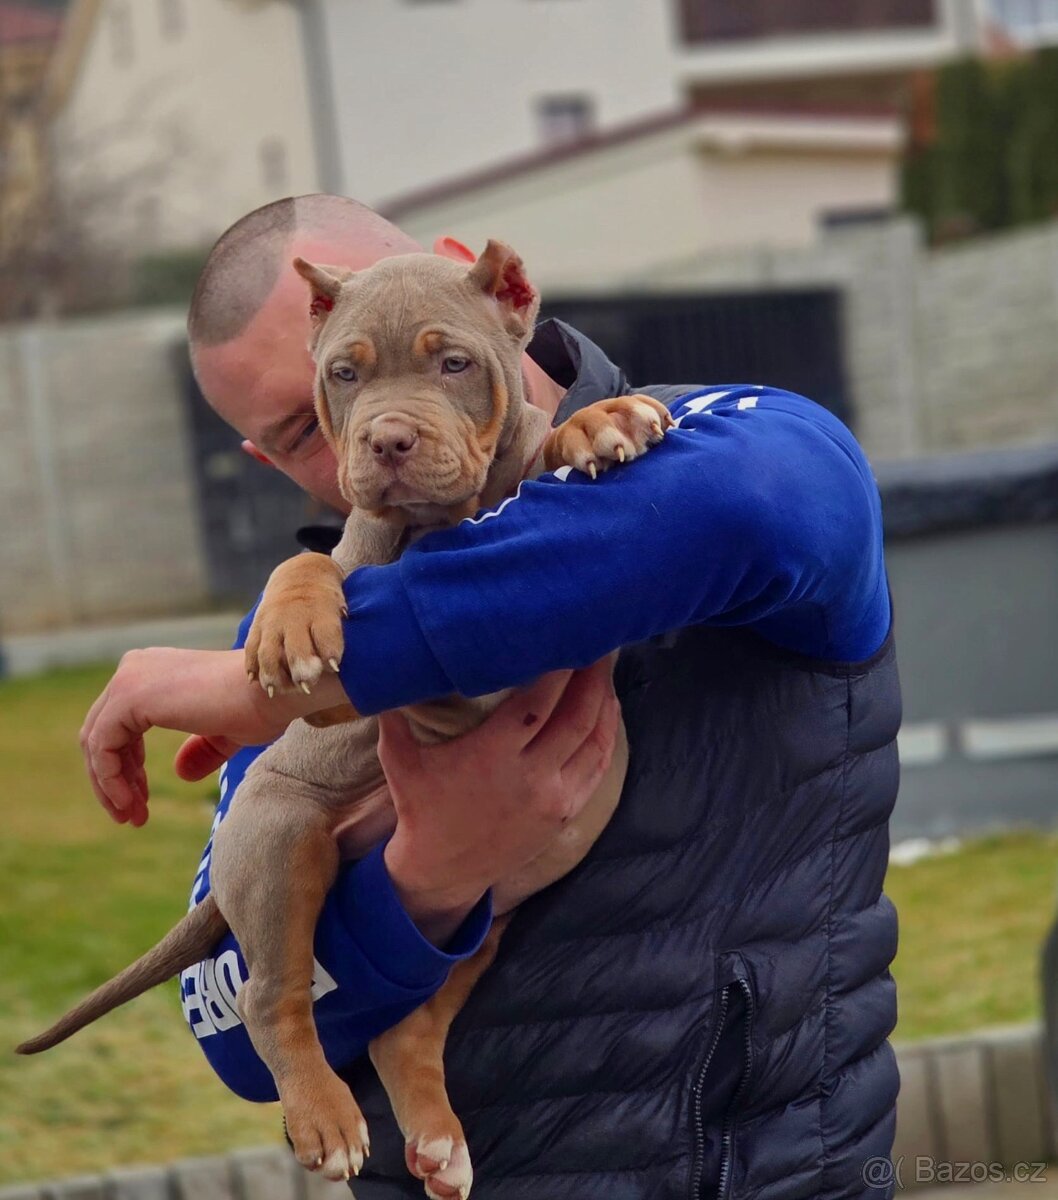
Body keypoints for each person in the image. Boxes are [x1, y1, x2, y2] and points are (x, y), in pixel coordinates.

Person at [81, 194, 900, 1200]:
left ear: (494, 286)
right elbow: (228, 1033)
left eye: (444, 360)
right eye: (315, 416)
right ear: (273, 454)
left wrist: (283, 679)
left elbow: (758, 504)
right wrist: (423, 883)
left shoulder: (705, 440)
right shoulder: (306, 619)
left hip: (745, 1172)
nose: (386, 425)